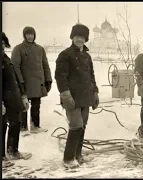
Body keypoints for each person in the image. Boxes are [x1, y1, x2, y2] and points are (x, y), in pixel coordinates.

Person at [55, 23, 99, 168]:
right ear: (72, 37)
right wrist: (66, 96)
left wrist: (95, 92)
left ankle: (77, 155)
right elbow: (60, 77)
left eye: (82, 37)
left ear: (85, 39)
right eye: (77, 37)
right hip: (72, 98)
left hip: (85, 97)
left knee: (82, 126)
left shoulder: (87, 56)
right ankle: (68, 159)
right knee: (76, 126)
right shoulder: (65, 55)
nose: (79, 40)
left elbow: (91, 76)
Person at [11, 26, 52, 134]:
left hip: (38, 83)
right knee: (23, 106)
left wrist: (48, 80)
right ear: (24, 35)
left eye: (32, 34)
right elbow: (15, 67)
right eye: (28, 34)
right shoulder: (18, 49)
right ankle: (23, 128)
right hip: (24, 83)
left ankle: (35, 126)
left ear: (35, 35)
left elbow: (45, 65)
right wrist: (20, 81)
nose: (30, 36)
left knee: (36, 105)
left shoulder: (40, 49)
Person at [2, 32, 32, 167]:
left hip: (13, 99)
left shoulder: (5, 59)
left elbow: (15, 79)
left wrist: (23, 96)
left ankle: (13, 151)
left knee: (15, 124)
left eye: (3, 43)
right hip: (3, 100)